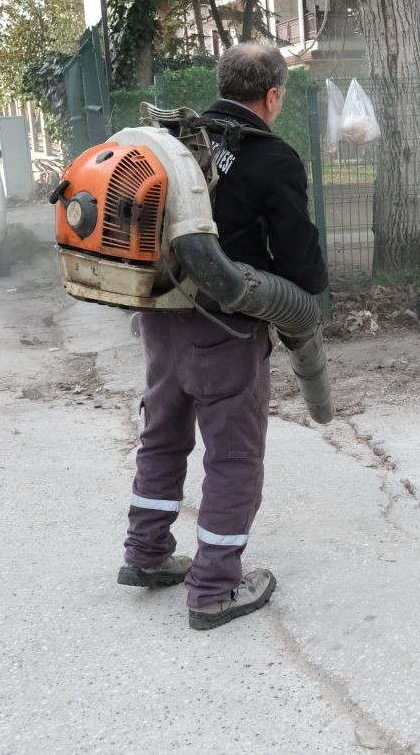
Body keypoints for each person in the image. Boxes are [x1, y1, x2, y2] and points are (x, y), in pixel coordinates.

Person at [116, 43, 328, 631]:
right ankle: (213, 588)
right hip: (224, 327)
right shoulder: (270, 157)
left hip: (158, 318)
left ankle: (147, 554)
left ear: (221, 84)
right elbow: (299, 259)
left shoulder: (172, 141)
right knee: (233, 457)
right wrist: (310, 297)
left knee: (161, 436)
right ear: (273, 95)